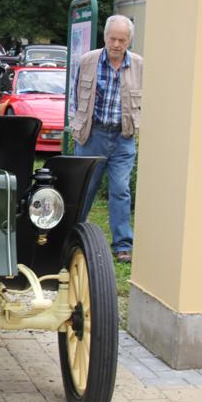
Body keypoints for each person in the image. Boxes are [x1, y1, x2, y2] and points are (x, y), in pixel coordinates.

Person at [70, 15, 144, 263]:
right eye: (112, 38)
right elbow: (75, 97)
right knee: (85, 188)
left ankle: (123, 245)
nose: (116, 44)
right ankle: (73, 236)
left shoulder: (139, 65)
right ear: (105, 38)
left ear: (129, 41)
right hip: (93, 135)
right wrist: (77, 126)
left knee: (121, 189)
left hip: (123, 137)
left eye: (122, 40)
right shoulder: (87, 61)